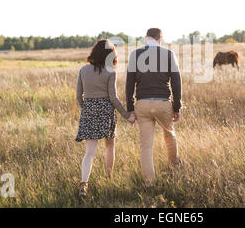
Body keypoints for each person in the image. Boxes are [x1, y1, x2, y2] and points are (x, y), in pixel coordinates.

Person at [75, 39, 135, 196]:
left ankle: (83, 185)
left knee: (90, 152)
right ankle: (108, 178)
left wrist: (87, 109)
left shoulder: (83, 70)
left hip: (89, 110)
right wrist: (127, 115)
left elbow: (78, 96)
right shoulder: (110, 72)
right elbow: (113, 98)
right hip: (106, 111)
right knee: (110, 147)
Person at [126, 28, 183, 187]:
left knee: (145, 145)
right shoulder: (168, 54)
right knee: (170, 136)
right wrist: (177, 107)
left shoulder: (134, 55)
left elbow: (129, 84)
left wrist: (130, 108)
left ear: (146, 38)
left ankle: (149, 183)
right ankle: (174, 168)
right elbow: (176, 82)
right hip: (163, 103)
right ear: (161, 38)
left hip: (142, 104)